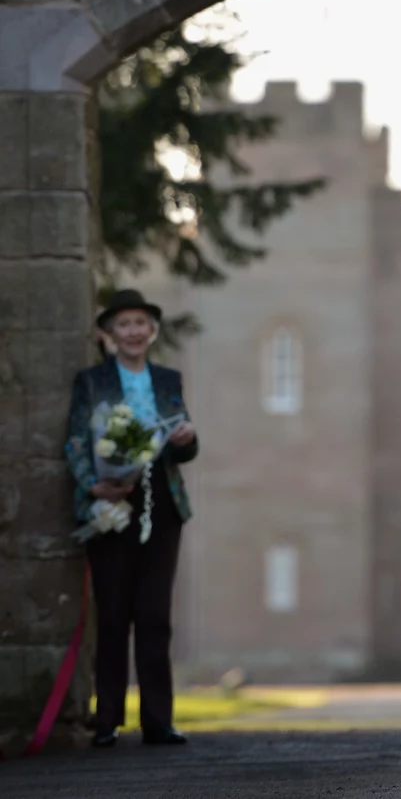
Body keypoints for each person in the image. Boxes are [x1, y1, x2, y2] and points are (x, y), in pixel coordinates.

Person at [64, 288, 199, 747]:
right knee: (114, 613)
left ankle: (158, 720)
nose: (135, 331)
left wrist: (186, 436)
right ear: (109, 333)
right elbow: (77, 440)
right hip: (111, 501)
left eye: (142, 323)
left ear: (152, 330)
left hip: (162, 501)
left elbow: (187, 449)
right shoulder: (91, 381)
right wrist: (93, 485)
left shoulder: (168, 379)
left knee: (155, 614)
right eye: (125, 324)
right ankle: (108, 721)